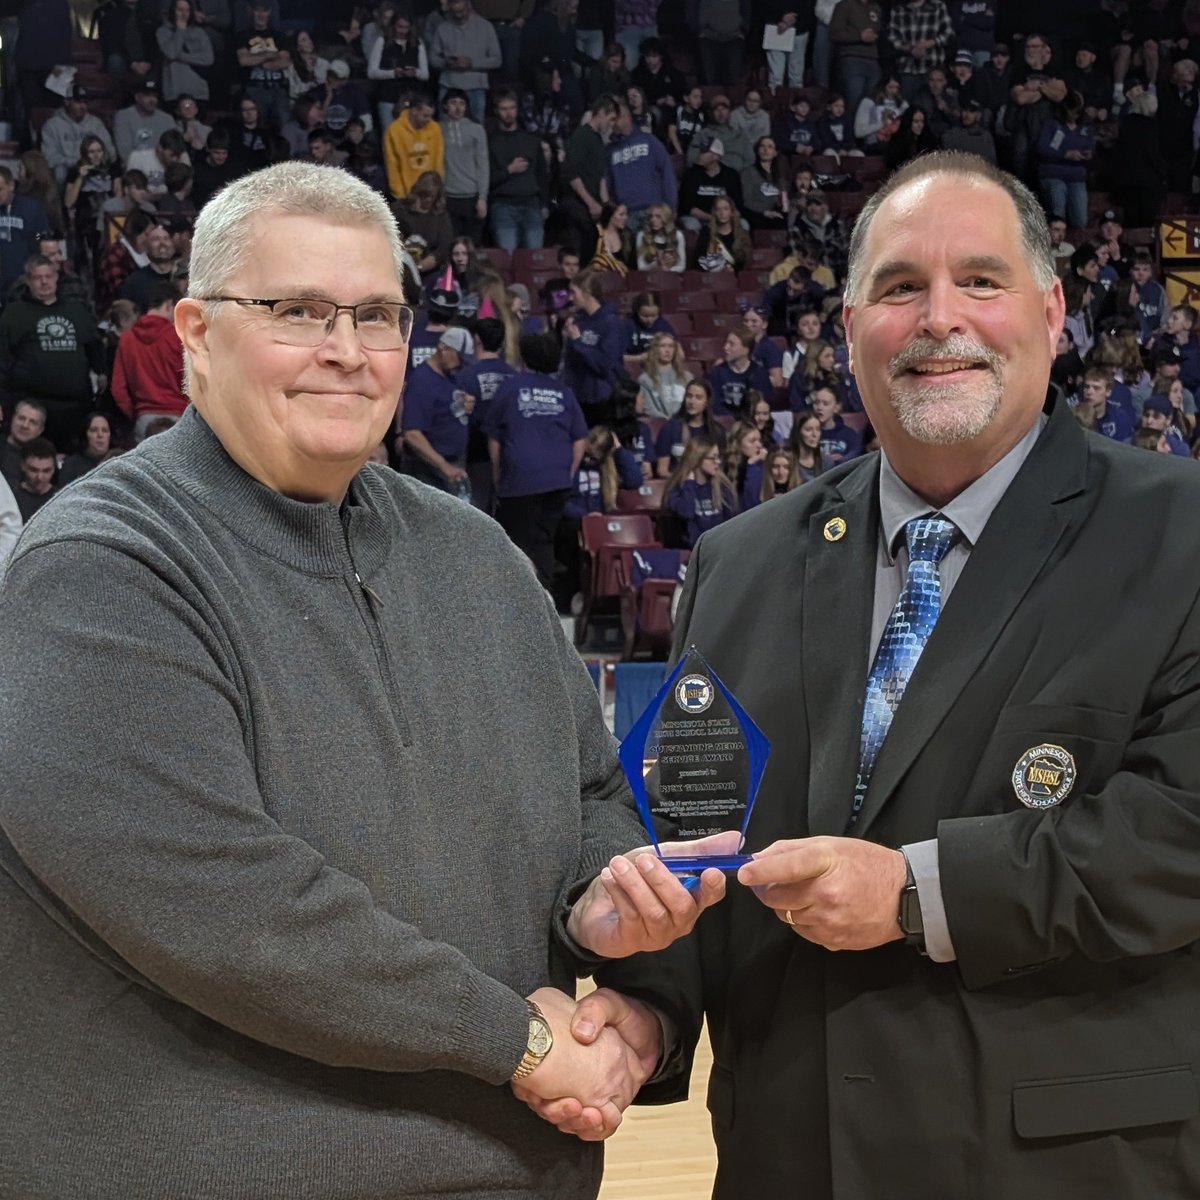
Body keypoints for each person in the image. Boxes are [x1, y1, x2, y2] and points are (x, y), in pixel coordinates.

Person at [0, 160, 720, 1199]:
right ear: (195, 333)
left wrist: (616, 939)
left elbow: (592, 795)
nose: (347, 352)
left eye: (378, 315)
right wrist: (519, 1043)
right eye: (298, 311)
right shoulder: (98, 570)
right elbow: (234, 914)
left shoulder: (477, 557)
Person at [534, 149, 1200, 1198]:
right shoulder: (740, 562)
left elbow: (1181, 835)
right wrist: (645, 1011)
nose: (940, 318)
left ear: (1051, 311)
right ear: (850, 329)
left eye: (980, 281)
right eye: (900, 288)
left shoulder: (1179, 532)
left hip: (1074, 1168)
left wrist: (914, 893)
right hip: (787, 1160)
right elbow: (692, 836)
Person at [484, 330, 587, 586]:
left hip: (519, 481)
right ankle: (546, 601)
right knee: (543, 542)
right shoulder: (564, 393)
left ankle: (519, 606)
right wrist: (568, 473)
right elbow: (580, 439)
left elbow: (494, 438)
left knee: (515, 545)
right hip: (556, 481)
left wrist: (497, 476)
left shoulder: (509, 387)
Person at [0, 254, 105, 449]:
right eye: (38, 277)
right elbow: (3, 360)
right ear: (28, 281)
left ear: (56, 277)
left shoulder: (77, 311)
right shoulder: (14, 313)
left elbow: (95, 350)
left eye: (48, 276)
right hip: (31, 405)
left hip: (76, 406)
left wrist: (102, 373)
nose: (44, 281)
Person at [397, 324, 475, 491]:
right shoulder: (422, 381)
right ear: (444, 349)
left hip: (452, 465)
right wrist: (445, 467)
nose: (461, 365)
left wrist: (466, 403)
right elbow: (412, 434)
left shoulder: (451, 376)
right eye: (459, 358)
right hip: (429, 470)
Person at [112, 278, 188, 440]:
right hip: (179, 415)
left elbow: (118, 389)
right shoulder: (178, 336)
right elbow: (191, 379)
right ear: (169, 305)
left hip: (143, 417)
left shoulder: (127, 339)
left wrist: (136, 413)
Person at [561, 269, 624, 426]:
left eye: (574, 292)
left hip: (600, 401)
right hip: (576, 396)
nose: (570, 297)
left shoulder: (611, 323)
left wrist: (578, 342)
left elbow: (604, 365)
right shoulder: (578, 321)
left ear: (587, 293)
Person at [488, 90, 548, 252]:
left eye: (512, 108)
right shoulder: (490, 142)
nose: (508, 113)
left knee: (534, 260)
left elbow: (542, 175)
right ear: (496, 111)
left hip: (532, 205)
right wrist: (509, 170)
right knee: (507, 260)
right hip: (503, 206)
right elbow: (486, 178)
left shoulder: (531, 140)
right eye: (504, 109)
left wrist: (544, 204)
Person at [661, 437, 736, 547]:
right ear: (698, 459)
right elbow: (686, 513)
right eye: (713, 458)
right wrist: (689, 485)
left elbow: (733, 521)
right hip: (691, 552)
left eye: (718, 457)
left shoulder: (722, 487)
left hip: (719, 549)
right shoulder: (677, 489)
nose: (718, 462)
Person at [38, 84, 117, 186]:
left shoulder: (95, 123)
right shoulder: (52, 125)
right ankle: (64, 201)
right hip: (68, 168)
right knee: (59, 171)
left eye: (85, 102)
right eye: (78, 102)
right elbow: (49, 158)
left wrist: (95, 160)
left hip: (94, 166)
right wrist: (77, 162)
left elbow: (111, 151)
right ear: (67, 102)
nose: (83, 106)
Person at [367, 11, 430, 134]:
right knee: (390, 134)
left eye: (406, 27)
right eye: (400, 27)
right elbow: (371, 72)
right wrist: (392, 73)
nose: (403, 31)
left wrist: (414, 72)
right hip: (387, 97)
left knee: (410, 135)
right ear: (393, 26)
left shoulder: (417, 43)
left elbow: (425, 75)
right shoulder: (382, 42)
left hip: (410, 97)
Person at [441, 88, 489, 242]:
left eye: (462, 103)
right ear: (445, 106)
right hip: (448, 196)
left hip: (471, 196)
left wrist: (482, 197)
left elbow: (483, 164)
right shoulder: (436, 129)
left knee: (472, 247)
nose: (458, 107)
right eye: (453, 102)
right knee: (450, 245)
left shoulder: (477, 129)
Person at [654, 378, 726, 476]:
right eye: (689, 396)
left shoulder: (717, 431)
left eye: (698, 397)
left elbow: (720, 468)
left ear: (707, 402)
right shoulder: (670, 428)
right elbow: (662, 470)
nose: (692, 401)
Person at [384, 94, 445, 201]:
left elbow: (438, 161)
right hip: (407, 195)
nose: (429, 120)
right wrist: (400, 195)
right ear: (414, 112)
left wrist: (438, 190)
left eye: (431, 116)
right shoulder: (394, 130)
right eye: (425, 116)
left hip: (431, 194)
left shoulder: (434, 128)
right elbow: (392, 165)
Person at [157, 0, 216, 101]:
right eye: (180, 10)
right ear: (173, 11)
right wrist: (180, 31)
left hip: (198, 90)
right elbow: (171, 53)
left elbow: (208, 59)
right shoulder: (162, 32)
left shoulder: (199, 32)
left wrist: (180, 56)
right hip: (173, 91)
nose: (184, 14)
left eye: (187, 10)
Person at [58, 411, 114, 485]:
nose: (100, 435)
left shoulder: (118, 461)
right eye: (94, 430)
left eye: (105, 430)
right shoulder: (72, 464)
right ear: (85, 434)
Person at [12, 435, 58, 522]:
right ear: (23, 466)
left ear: (54, 468)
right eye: (34, 470)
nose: (40, 477)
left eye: (46, 471)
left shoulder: (61, 499)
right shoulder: (10, 498)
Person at [635, 203, 685, 271]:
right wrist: (657, 264)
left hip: (671, 277)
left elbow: (681, 266)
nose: (653, 220)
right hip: (649, 278)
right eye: (651, 216)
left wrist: (667, 270)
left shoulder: (678, 235)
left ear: (666, 218)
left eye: (658, 216)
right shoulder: (642, 236)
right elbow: (641, 268)